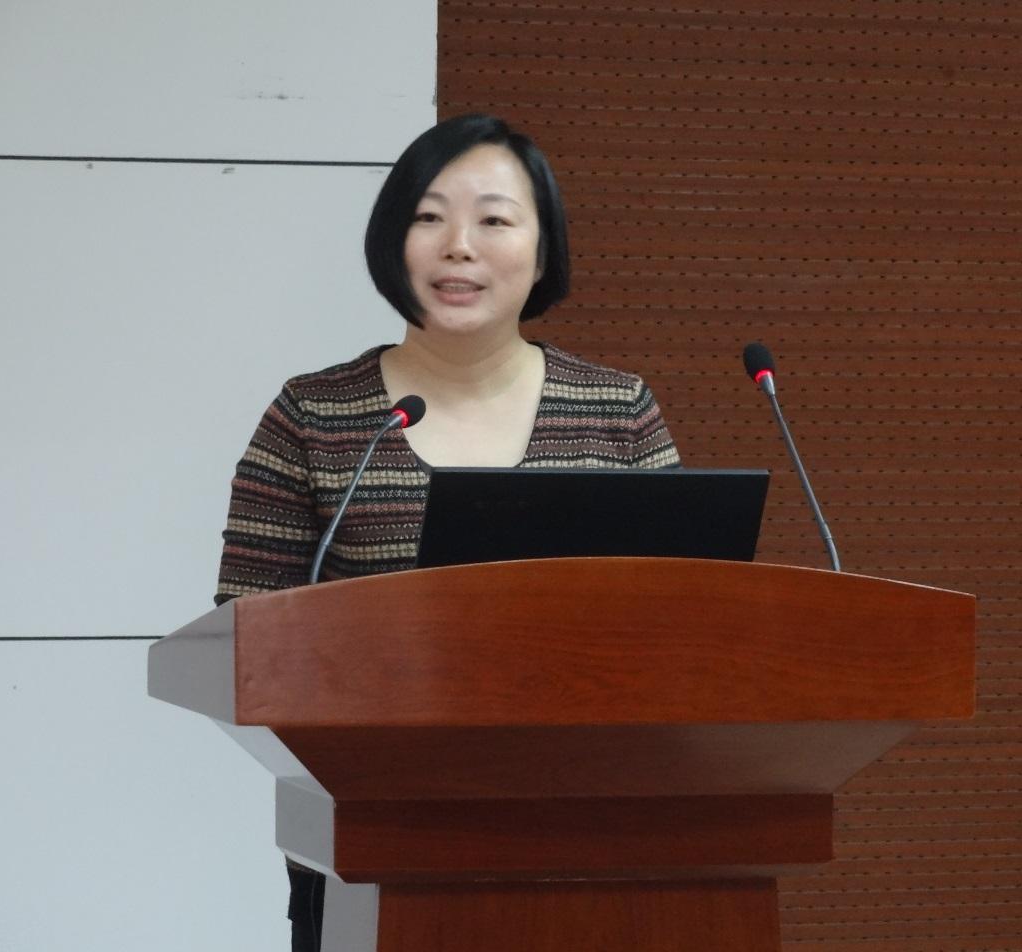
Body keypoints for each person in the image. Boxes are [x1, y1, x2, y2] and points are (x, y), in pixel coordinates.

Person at [214, 113, 680, 951]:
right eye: (428, 217)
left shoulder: (617, 412)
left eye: (494, 219)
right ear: (391, 242)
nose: (458, 246)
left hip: (597, 846)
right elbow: (242, 643)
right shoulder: (314, 416)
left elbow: (690, 628)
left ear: (543, 249)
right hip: (375, 848)